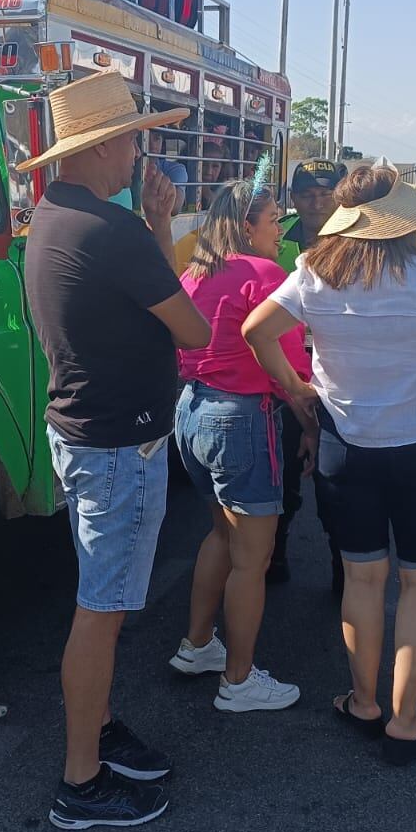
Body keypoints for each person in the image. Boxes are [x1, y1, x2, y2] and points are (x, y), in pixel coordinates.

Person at [20, 71, 212, 830]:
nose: (140, 152)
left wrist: (150, 223)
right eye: (132, 136)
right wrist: (158, 226)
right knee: (100, 612)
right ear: (101, 146)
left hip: (84, 434)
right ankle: (81, 780)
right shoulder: (115, 229)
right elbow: (191, 328)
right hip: (119, 446)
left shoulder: (56, 215)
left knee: (101, 603)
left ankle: (96, 735)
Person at [244, 165, 416, 764]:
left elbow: (257, 331)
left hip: (344, 445)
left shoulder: (314, 271)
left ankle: (363, 700)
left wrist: (298, 386)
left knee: (363, 579)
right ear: (400, 217)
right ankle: (406, 720)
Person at [167, 177, 310, 712]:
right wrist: (310, 411)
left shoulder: (196, 272)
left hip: (193, 410)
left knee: (221, 537)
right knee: (254, 557)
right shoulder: (267, 273)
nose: (281, 229)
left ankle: (198, 644)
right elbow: (292, 366)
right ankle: (239, 680)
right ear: (248, 225)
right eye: (275, 220)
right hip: (242, 417)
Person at [271, 158, 347, 588]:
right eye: (306, 193)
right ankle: (274, 556)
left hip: (341, 377)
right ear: (294, 198)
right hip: (288, 378)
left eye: (325, 192)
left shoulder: (361, 239)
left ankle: (344, 570)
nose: (316, 201)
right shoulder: (275, 237)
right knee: (281, 474)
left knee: (338, 485)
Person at [150, 130, 189, 211]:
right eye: (145, 138)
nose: (152, 145)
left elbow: (175, 207)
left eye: (157, 138)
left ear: (162, 142)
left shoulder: (175, 169)